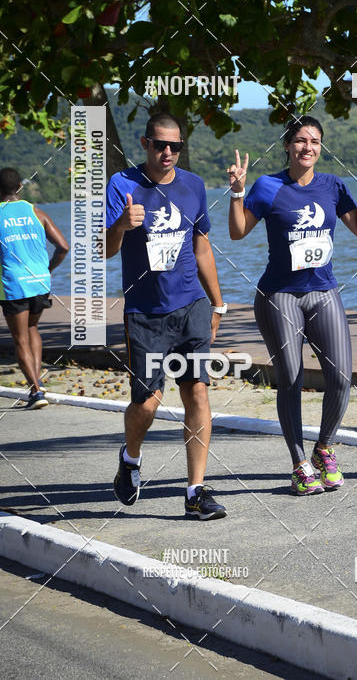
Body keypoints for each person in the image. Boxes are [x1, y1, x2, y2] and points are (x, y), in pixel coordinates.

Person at [228, 116, 357, 495]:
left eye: (314, 141)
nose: (308, 147)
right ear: (287, 145)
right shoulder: (268, 187)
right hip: (279, 295)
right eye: (300, 140)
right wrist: (236, 193)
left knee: (342, 376)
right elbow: (237, 232)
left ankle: (324, 449)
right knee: (293, 379)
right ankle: (299, 463)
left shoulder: (332, 186)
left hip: (323, 292)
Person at [106, 112, 227, 520]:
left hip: (190, 305)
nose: (168, 153)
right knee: (148, 402)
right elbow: (105, 250)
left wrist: (218, 303)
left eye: (175, 146)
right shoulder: (122, 185)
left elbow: (203, 247)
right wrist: (121, 224)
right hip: (145, 312)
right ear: (145, 144)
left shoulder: (193, 185)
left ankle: (196, 491)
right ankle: (131, 456)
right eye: (160, 145)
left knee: (197, 391)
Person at [0, 168, 69, 409]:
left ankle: (37, 392)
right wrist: (47, 270)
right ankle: (37, 383)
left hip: (14, 284)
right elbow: (63, 247)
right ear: (19, 187)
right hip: (40, 282)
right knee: (32, 329)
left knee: (20, 339)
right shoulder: (36, 211)